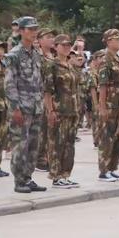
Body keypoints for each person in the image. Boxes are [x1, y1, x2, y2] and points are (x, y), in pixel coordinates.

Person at [4, 16, 46, 193]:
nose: (33, 32)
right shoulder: (14, 55)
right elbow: (9, 83)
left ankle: (28, 178)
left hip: (35, 106)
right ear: (21, 31)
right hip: (21, 108)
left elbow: (39, 80)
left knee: (33, 145)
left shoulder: (36, 54)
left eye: (35, 29)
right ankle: (19, 180)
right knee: (20, 145)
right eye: (30, 29)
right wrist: (15, 109)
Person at [44, 34, 79, 188]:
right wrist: (50, 111)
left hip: (72, 110)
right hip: (59, 110)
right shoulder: (51, 65)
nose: (66, 47)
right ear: (55, 47)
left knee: (69, 144)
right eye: (63, 45)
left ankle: (65, 175)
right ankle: (56, 176)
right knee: (56, 144)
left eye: (68, 45)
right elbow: (47, 91)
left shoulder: (70, 65)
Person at [98, 29, 119, 182]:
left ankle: (112, 168)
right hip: (109, 104)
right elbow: (102, 85)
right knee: (106, 138)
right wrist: (102, 107)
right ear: (109, 41)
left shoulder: (118, 59)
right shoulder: (105, 59)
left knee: (116, 137)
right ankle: (103, 171)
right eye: (117, 39)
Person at [35, 28, 56, 172]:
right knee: (42, 128)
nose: (51, 39)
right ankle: (40, 159)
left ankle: (48, 156)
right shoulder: (37, 56)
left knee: (51, 129)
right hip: (41, 96)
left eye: (52, 37)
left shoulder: (53, 56)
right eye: (48, 37)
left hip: (54, 96)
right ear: (40, 40)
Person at [0, 41, 8, 177]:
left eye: (2, 50)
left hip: (4, 106)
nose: (0, 52)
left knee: (1, 138)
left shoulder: (4, 66)